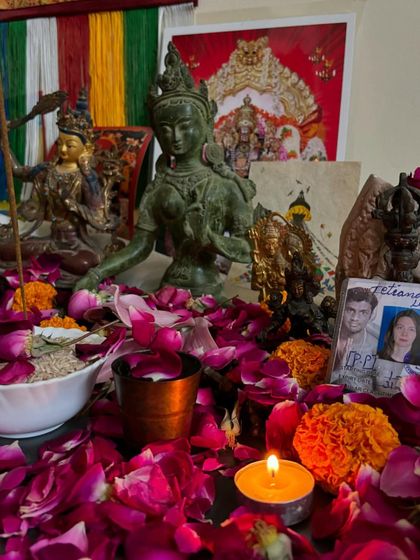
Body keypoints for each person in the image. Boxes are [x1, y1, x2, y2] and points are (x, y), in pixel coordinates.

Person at [75, 43, 255, 297]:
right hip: (167, 289)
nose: (175, 136)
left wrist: (211, 239)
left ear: (205, 126)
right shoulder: (159, 187)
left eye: (185, 125)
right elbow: (140, 247)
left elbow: (248, 248)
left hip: (209, 289)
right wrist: (96, 274)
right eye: (165, 128)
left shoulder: (226, 186)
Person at [0, 90, 120, 284]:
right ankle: (45, 267)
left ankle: (45, 267)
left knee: (84, 264)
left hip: (75, 245)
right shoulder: (48, 170)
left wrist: (72, 204)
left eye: (70, 145)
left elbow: (99, 218)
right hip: (50, 242)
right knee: (5, 250)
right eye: (60, 143)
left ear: (85, 149)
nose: (63, 149)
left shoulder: (87, 178)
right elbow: (17, 171)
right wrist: (3, 142)